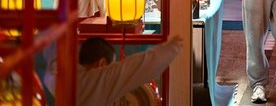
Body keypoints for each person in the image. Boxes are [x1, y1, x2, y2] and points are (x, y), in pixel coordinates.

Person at [44, 35, 182, 105]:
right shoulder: (97, 82)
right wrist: (174, 46)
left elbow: (53, 49)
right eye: (111, 65)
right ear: (102, 63)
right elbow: (138, 66)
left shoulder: (55, 76)